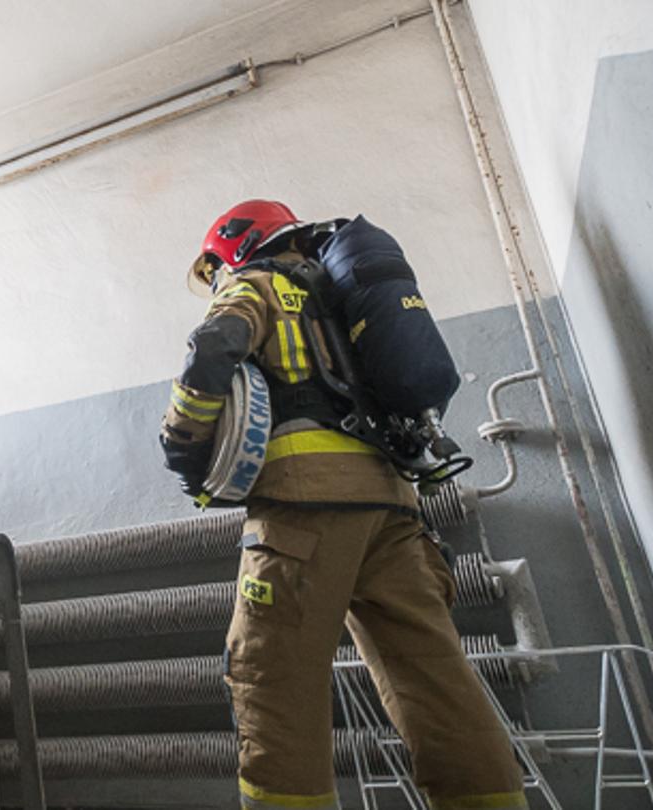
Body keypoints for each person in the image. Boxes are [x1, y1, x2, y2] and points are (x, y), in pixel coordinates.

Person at [160, 200, 527, 809]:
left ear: (233, 248)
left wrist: (183, 445)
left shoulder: (259, 284)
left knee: (270, 679)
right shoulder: (342, 297)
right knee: (434, 678)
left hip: (305, 512)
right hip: (394, 510)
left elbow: (213, 346)